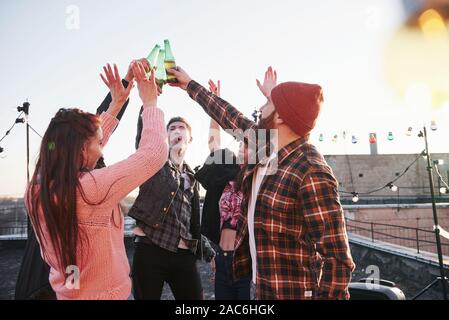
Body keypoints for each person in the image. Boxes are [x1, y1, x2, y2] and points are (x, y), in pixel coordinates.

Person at [167, 66, 356, 300]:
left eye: (268, 104)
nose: (260, 108)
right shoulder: (266, 151)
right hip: (261, 290)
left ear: (279, 116)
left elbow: (338, 258)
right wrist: (189, 84)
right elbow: (230, 116)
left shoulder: (310, 168)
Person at [25, 61, 168, 300]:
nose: (102, 151)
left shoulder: (38, 190)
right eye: (97, 145)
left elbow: (89, 143)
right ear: (80, 149)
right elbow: (154, 154)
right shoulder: (89, 190)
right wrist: (150, 103)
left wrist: (117, 103)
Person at [129, 108, 216, 300]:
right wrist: (148, 103)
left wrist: (210, 253)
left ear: (190, 138)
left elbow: (192, 225)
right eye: (172, 128)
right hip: (150, 250)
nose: (177, 131)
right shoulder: (153, 161)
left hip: (183, 255)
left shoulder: (192, 178)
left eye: (181, 128)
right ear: (165, 136)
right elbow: (144, 137)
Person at [194, 80, 250, 300]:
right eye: (240, 144)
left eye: (246, 144)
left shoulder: (259, 177)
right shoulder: (227, 170)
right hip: (222, 257)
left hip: (247, 259)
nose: (240, 147)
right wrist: (213, 104)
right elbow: (213, 144)